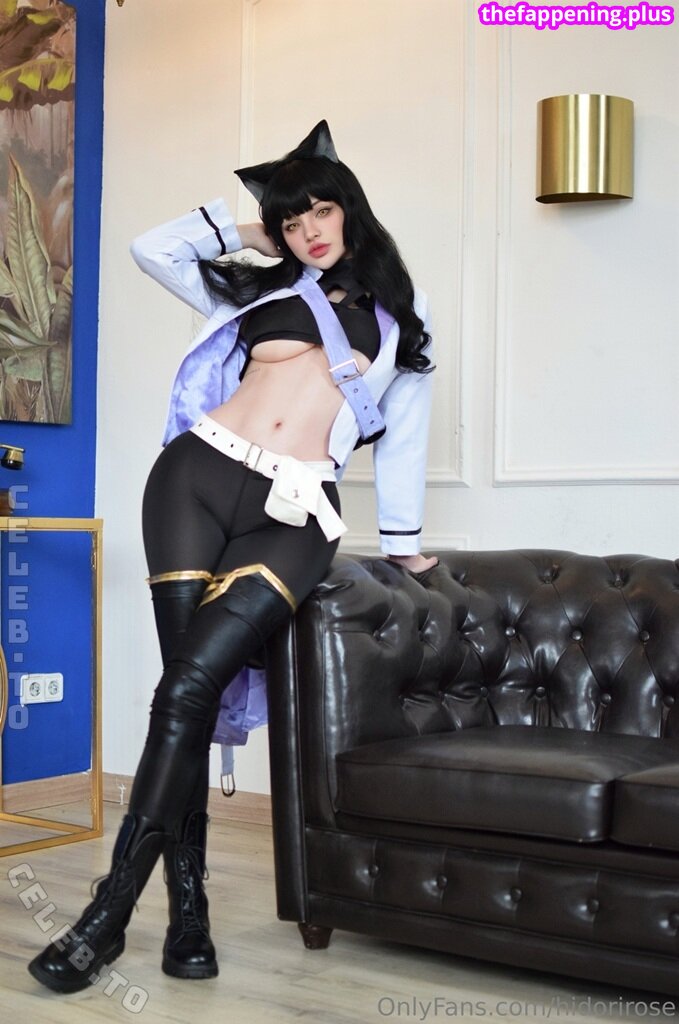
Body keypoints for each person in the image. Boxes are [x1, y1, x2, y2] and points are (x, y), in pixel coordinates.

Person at [28, 120, 436, 993]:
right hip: (196, 477)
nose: (308, 230)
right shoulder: (260, 287)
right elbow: (152, 247)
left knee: (188, 689)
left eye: (320, 210)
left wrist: (403, 546)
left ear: (350, 208)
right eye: (293, 219)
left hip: (295, 511)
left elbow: (403, 435)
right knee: (188, 697)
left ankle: (106, 915)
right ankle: (188, 912)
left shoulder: (402, 316)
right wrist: (255, 229)